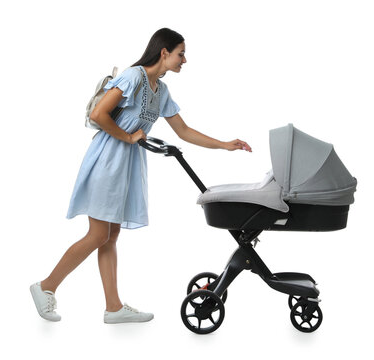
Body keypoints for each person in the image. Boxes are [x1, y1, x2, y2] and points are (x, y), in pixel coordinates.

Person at [30, 28, 251, 324]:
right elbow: (99, 114)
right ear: (164, 52)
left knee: (110, 235)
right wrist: (128, 136)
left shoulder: (161, 90)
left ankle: (113, 307)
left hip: (128, 163)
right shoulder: (134, 76)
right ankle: (46, 287)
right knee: (98, 234)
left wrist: (225, 144)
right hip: (108, 159)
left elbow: (183, 131)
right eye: (181, 53)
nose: (184, 60)